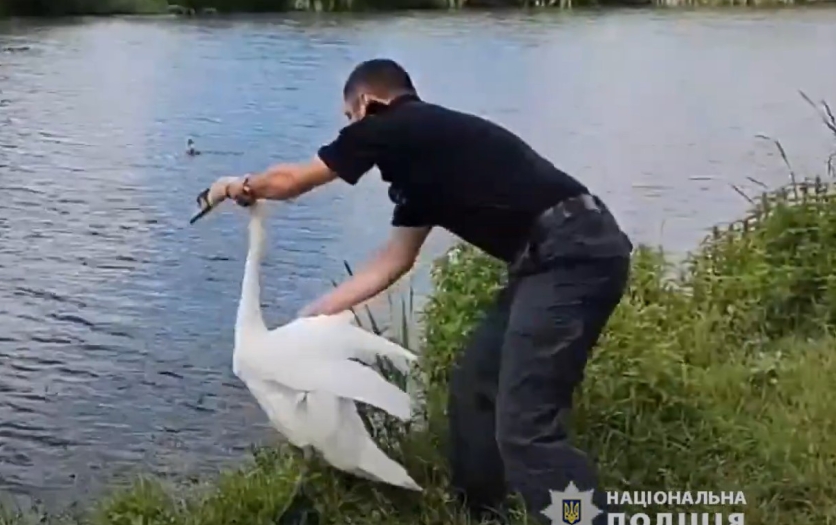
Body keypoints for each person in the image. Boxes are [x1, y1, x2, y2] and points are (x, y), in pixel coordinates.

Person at [203, 58, 632, 524]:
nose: (350, 131)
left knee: (527, 430)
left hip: (572, 255)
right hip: (548, 260)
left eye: (349, 119)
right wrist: (314, 317)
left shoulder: (393, 123)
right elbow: (392, 262)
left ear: (366, 103)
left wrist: (236, 186)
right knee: (473, 388)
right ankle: (482, 515)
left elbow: (291, 182)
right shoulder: (425, 164)